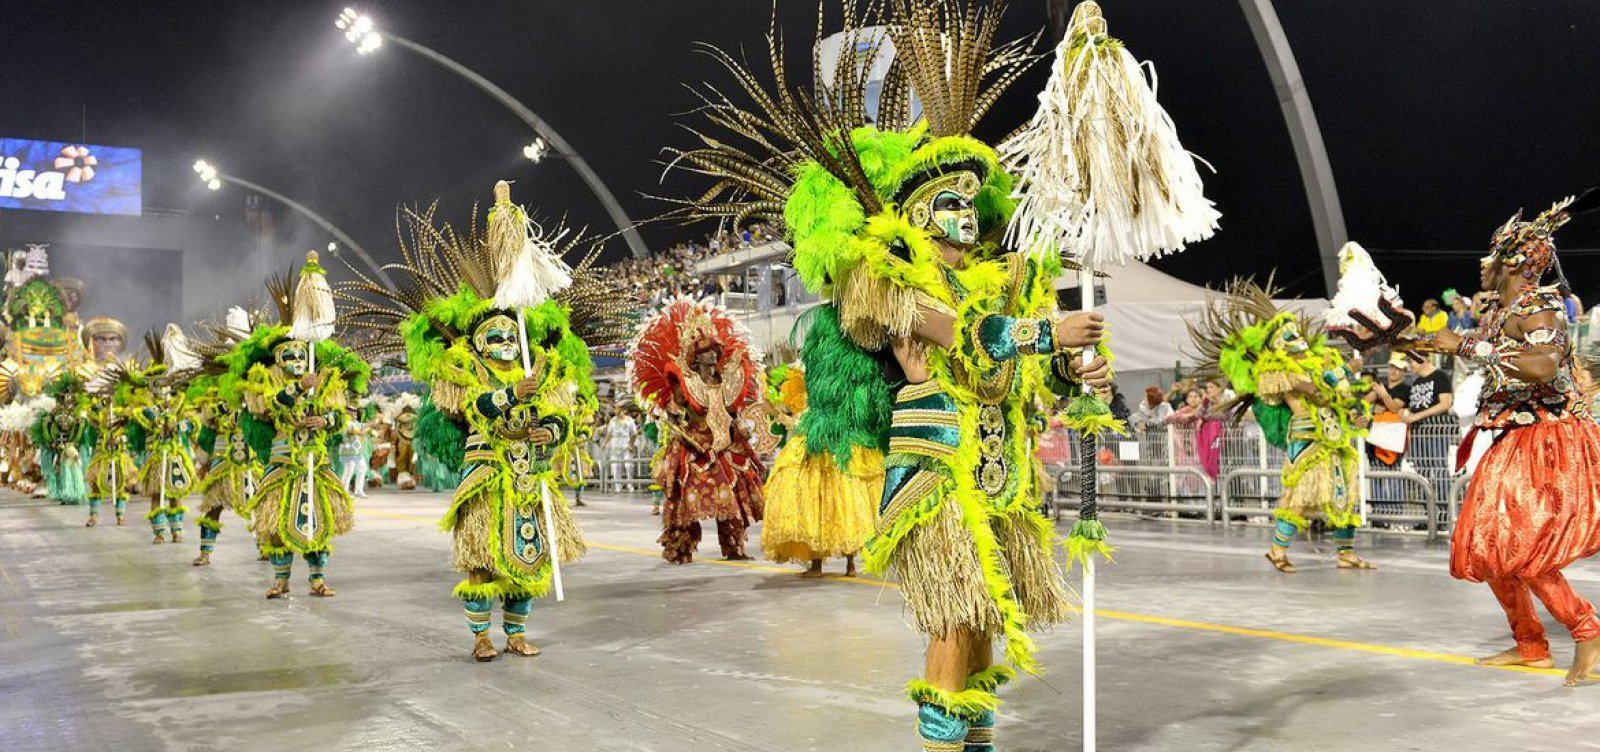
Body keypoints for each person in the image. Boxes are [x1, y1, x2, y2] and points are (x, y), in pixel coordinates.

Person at [338, 184, 628, 660]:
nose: (504, 342)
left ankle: (515, 632)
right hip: (487, 473)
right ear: (477, 342)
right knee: (480, 558)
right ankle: (480, 635)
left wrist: (548, 430)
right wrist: (513, 393)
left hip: (530, 475)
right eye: (494, 335)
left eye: (509, 334)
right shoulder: (464, 372)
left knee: (527, 558)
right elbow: (476, 408)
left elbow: (560, 417)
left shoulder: (541, 368)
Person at [1428, 197, 1600, 685]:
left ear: (1516, 263)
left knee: (1524, 549)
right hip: (1515, 440)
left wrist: (1468, 346)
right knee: (1488, 544)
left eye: (1493, 255)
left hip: (1551, 441)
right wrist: (1391, 333)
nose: (1483, 264)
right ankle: (1530, 643)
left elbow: (1543, 365)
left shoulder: (1540, 306)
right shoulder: (1499, 314)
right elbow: (1461, 347)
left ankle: (1587, 630)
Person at [1191, 280, 1375, 573]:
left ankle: (1346, 553)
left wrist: (1357, 415)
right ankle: (1277, 550)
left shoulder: (1320, 362)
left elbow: (1339, 397)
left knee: (1345, 496)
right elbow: (1314, 389)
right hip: (1306, 440)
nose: (1297, 338)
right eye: (1288, 334)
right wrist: (1342, 371)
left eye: (1296, 333)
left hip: (1335, 437)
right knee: (1302, 496)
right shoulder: (1276, 372)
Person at [235, 254, 367, 599]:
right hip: (282, 462)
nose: (295, 360)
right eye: (288, 356)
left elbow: (340, 418)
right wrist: (298, 388)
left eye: (299, 354)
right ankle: (280, 581)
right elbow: (272, 407)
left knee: (318, 519)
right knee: (278, 521)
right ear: (278, 360)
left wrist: (325, 418)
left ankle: (317, 579)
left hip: (316, 459)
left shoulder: (327, 381)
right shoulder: (267, 383)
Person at [632, 296, 767, 564]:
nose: (713, 355)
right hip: (695, 447)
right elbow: (672, 412)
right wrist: (677, 424)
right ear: (696, 356)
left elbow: (732, 411)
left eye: (715, 351)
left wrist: (740, 425)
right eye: (707, 351)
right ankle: (680, 549)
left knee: (732, 497)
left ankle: (734, 547)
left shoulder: (727, 380)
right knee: (685, 502)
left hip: (726, 445)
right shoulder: (686, 384)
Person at [1399, 353, 1454, 519]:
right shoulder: (1416, 382)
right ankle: (1428, 514)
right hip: (1418, 433)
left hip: (1435, 432)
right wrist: (1406, 412)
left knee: (1439, 470)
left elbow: (1445, 403)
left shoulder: (1440, 377)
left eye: (1411, 361)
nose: (1409, 365)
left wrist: (1417, 416)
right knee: (1421, 472)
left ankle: (1444, 513)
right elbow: (1412, 405)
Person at [1365, 353, 1412, 518]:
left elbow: (1393, 407)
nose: (1394, 372)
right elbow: (1365, 402)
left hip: (1393, 440)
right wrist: (1374, 395)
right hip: (1375, 439)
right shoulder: (1380, 386)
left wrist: (1383, 396)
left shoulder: (1406, 389)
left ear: (1404, 372)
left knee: (1394, 477)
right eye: (1392, 367)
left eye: (1398, 369)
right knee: (1376, 476)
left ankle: (1396, 513)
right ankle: (1379, 515)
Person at [604, 407, 638, 492]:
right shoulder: (613, 420)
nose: (617, 413)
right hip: (615, 444)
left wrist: (631, 444)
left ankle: (629, 484)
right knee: (616, 466)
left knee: (629, 465)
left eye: (619, 411)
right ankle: (617, 485)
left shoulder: (629, 420)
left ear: (624, 411)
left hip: (626, 442)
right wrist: (605, 443)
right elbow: (609, 433)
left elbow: (634, 433)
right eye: (616, 411)